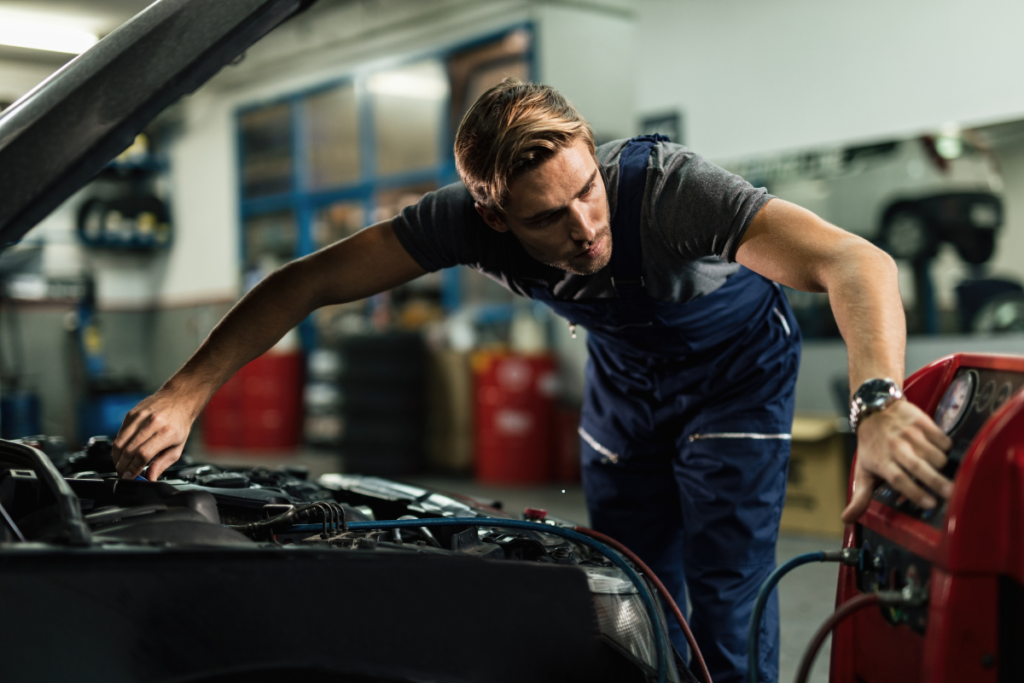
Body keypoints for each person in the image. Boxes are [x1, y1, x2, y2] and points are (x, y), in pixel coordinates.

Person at [112, 79, 953, 682]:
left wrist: (877, 399)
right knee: (626, 587)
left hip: (735, 380)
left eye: (587, 191)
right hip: (625, 386)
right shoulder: (459, 224)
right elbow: (306, 280)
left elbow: (855, 261)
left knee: (726, 603)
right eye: (548, 216)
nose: (586, 227)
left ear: (594, 157)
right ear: (492, 216)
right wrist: (187, 390)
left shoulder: (670, 193)